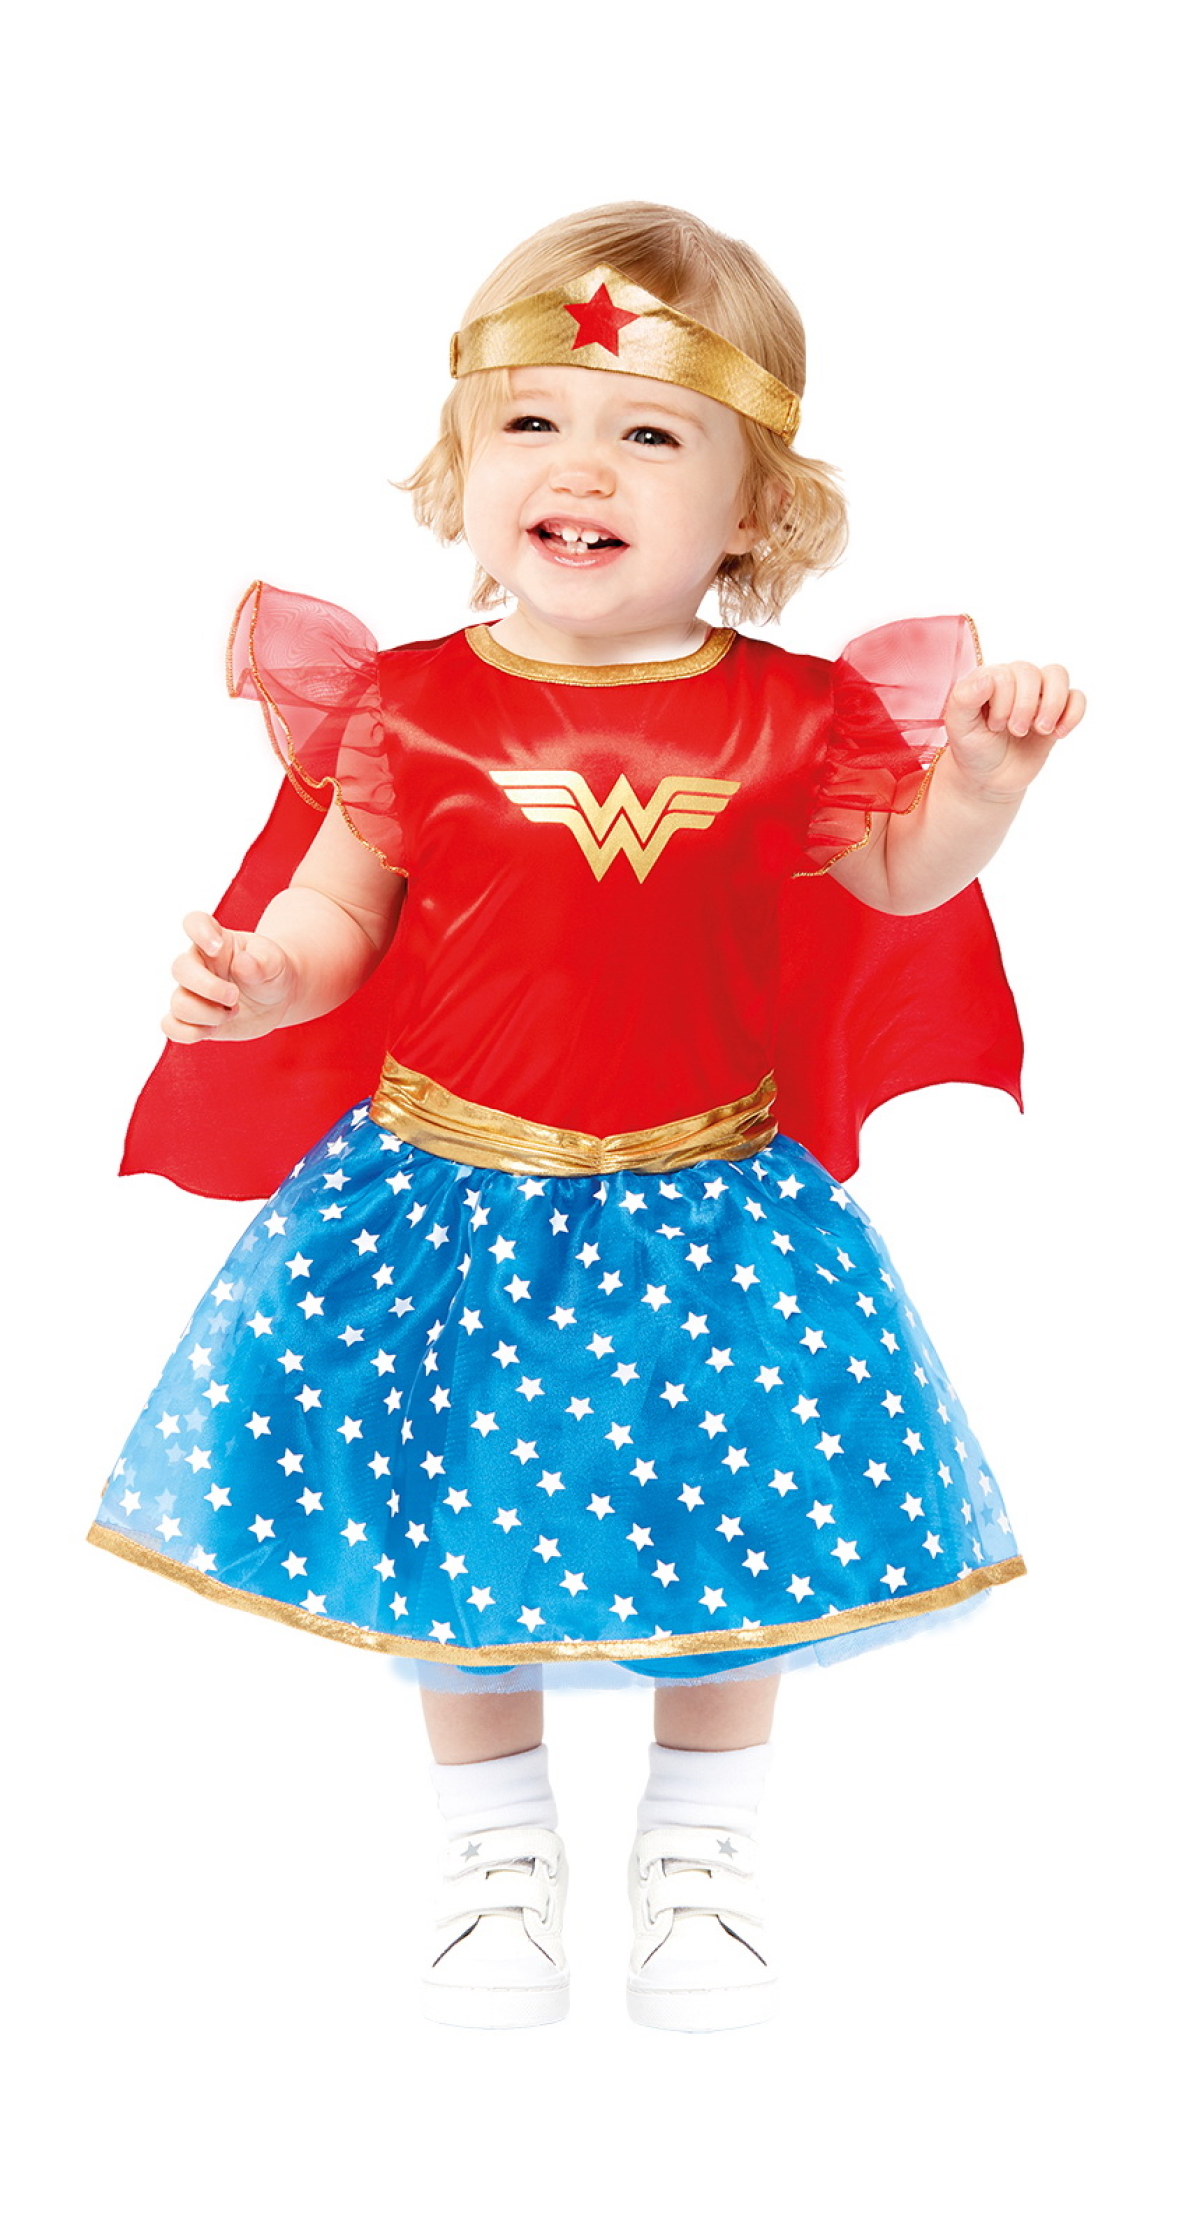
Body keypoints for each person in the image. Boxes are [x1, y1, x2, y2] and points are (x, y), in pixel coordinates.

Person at [89, 200, 1084, 2034]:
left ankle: (702, 1852)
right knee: (451, 1519)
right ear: (463, 465)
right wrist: (261, 976)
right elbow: (334, 919)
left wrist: (986, 786)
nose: (581, 466)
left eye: (649, 433)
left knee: (738, 1514)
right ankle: (497, 1856)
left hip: (714, 1201)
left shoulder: (796, 717)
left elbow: (896, 877)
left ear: (753, 508)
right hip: (447, 1193)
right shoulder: (408, 710)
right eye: (532, 422)